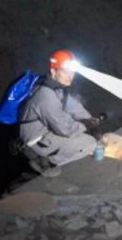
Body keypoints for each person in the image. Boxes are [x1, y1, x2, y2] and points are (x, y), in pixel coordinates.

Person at [19, 49, 103, 177]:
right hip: (37, 138)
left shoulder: (57, 88)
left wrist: (92, 122)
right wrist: (86, 126)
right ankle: (48, 161)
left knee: (82, 130)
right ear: (53, 71)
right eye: (65, 72)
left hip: (44, 129)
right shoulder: (46, 96)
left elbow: (74, 107)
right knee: (90, 144)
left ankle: (49, 154)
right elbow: (65, 129)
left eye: (72, 72)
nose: (70, 76)